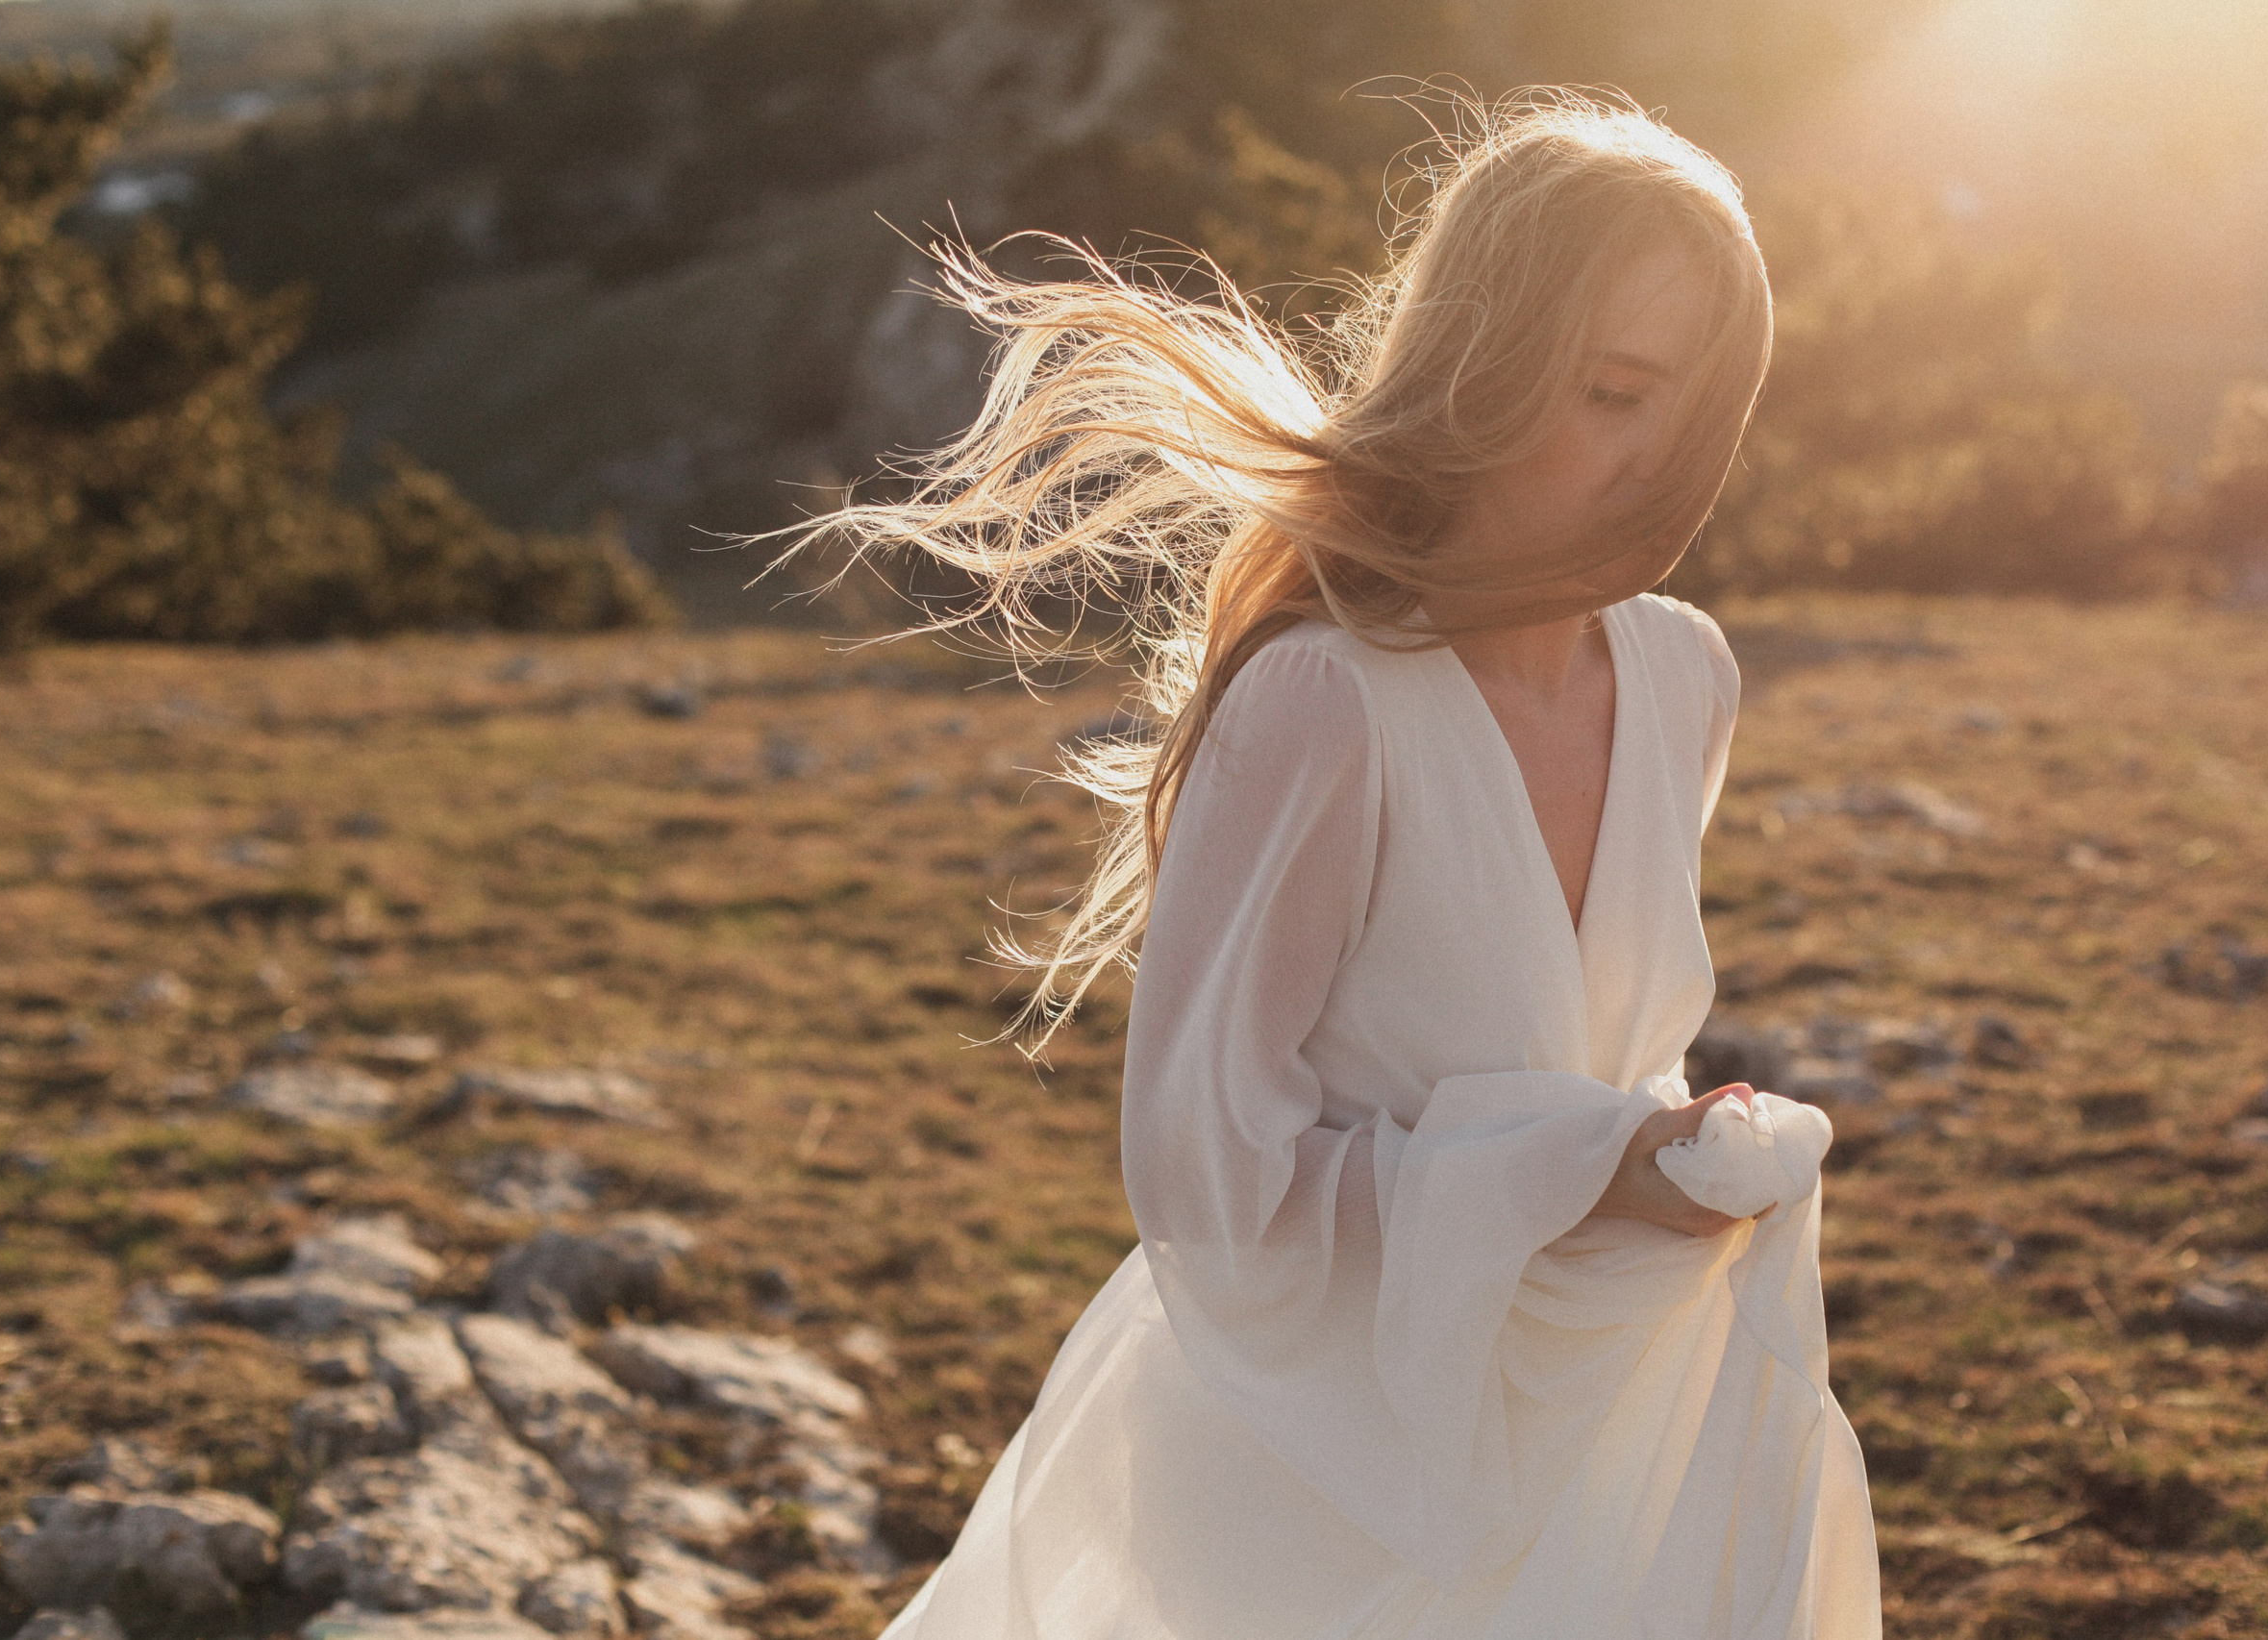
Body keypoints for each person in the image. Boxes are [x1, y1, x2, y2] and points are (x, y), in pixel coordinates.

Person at [786, 89, 1882, 1640]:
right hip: (1323, 1473)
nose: (1659, 464)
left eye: (1696, 411)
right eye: (1612, 392)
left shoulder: (1686, 675)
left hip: (1622, 1423)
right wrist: (1584, 1173)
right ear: (1479, 371)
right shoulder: (1328, 704)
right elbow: (1206, 1177)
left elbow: (1584, 1043)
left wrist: (1673, 1158)